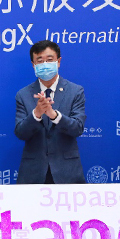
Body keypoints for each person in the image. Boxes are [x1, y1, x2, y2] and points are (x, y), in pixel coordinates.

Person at [15, 40, 87, 184]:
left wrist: (54, 116)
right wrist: (36, 114)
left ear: (58, 61)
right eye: (40, 61)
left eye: (49, 60)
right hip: (33, 173)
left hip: (67, 172)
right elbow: (20, 133)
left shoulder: (75, 91)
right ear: (33, 65)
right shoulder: (23, 94)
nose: (45, 64)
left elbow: (77, 128)